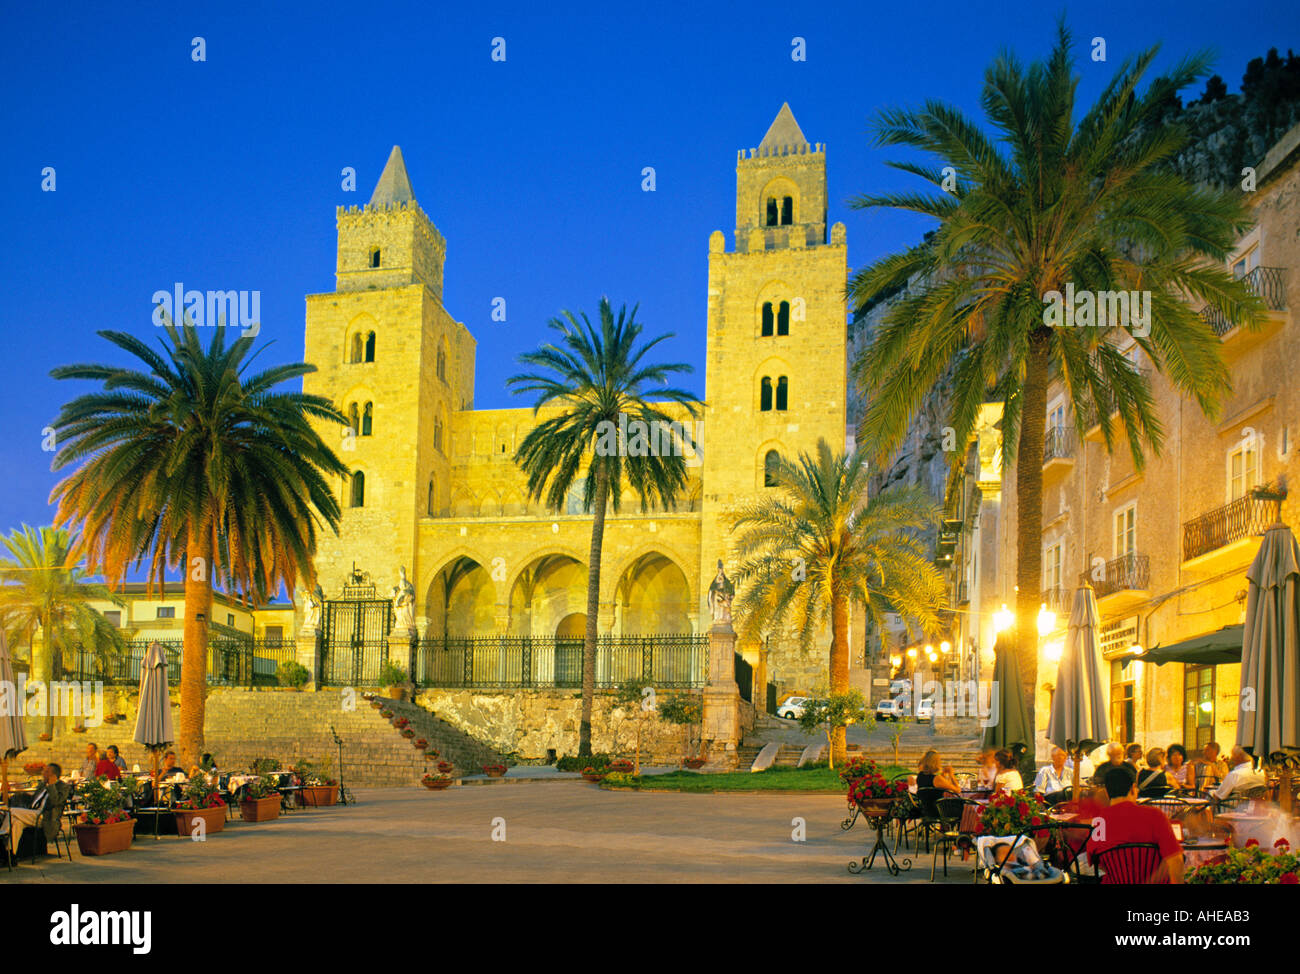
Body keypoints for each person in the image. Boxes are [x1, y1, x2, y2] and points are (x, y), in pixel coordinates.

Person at [1086, 765, 1184, 884]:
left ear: (1106, 793)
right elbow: (1176, 861)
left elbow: (1097, 862)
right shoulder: (1154, 815)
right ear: (1133, 788)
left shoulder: (1099, 822)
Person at [6, 764, 72, 859]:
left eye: (46, 772)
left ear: (53, 775)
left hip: (46, 818)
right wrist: (22, 790)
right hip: (33, 814)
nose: (43, 774)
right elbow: (33, 800)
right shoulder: (42, 784)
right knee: (16, 823)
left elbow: (55, 801)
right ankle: (10, 854)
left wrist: (51, 785)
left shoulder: (63, 787)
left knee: (11, 811)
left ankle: (3, 833)